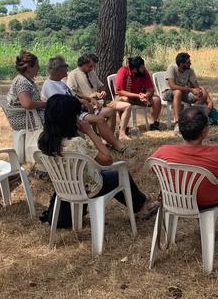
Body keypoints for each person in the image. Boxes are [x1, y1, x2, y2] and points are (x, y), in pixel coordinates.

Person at [37, 95, 157, 226]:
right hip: (89, 188)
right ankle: (142, 207)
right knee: (120, 174)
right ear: (71, 118)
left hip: (64, 187)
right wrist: (90, 132)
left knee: (110, 174)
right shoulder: (76, 143)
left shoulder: (44, 141)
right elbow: (107, 160)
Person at [41, 56, 132, 156]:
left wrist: (89, 100)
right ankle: (119, 146)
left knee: (110, 111)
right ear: (58, 70)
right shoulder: (49, 85)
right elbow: (61, 106)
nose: (67, 68)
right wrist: (83, 102)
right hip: (70, 116)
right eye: (65, 66)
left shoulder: (61, 82)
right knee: (99, 119)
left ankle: (107, 141)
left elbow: (73, 95)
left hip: (80, 110)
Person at [150, 106, 218, 209]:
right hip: (211, 202)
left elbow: (153, 168)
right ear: (204, 132)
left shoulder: (163, 152)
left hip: (177, 201)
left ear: (180, 130)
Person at [67, 53, 133, 137]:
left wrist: (103, 91)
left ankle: (121, 134)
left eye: (93, 66)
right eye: (90, 66)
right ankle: (108, 138)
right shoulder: (73, 75)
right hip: (88, 106)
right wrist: (90, 97)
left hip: (100, 102)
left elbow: (101, 86)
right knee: (110, 112)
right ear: (82, 64)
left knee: (127, 106)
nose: (92, 68)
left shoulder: (92, 72)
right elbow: (73, 92)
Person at [115, 56, 163, 131]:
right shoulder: (123, 71)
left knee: (156, 100)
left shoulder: (144, 72)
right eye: (141, 67)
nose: (144, 69)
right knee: (123, 100)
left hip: (141, 96)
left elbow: (150, 89)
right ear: (135, 69)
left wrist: (146, 95)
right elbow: (119, 91)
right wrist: (137, 95)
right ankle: (124, 126)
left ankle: (155, 124)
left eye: (143, 67)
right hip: (127, 97)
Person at [7, 50, 46, 130]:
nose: (39, 68)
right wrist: (45, 104)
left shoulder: (26, 80)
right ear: (28, 68)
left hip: (29, 115)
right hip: (24, 118)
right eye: (37, 65)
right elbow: (27, 104)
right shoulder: (22, 82)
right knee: (59, 115)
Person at [163, 52, 203, 127]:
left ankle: (194, 119)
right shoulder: (172, 68)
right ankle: (177, 122)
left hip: (184, 92)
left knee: (201, 94)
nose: (190, 63)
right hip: (168, 92)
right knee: (178, 92)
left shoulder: (190, 71)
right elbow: (172, 86)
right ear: (181, 64)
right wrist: (190, 89)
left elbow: (196, 86)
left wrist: (198, 91)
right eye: (188, 62)